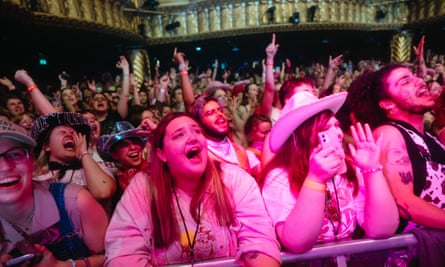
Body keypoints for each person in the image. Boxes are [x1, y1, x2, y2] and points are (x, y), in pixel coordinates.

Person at [104, 112, 281, 266]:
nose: (193, 137)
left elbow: (259, 240)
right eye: (179, 135)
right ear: (162, 153)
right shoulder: (143, 188)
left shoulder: (234, 180)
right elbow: (123, 256)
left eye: (197, 131)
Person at [259, 91, 399, 254]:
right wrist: (315, 179)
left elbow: (383, 229)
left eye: (337, 126)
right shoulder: (278, 176)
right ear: (302, 137)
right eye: (326, 128)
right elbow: (297, 242)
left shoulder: (348, 170)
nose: (338, 134)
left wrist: (372, 170)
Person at [346, 63, 445, 266]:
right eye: (405, 81)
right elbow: (404, 203)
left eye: (415, 77)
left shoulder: (431, 138)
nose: (419, 81)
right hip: (403, 258)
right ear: (387, 104)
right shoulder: (388, 134)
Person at [0, 119, 108, 267]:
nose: (4, 166)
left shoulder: (76, 201)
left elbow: (115, 258)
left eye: (15, 154)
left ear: (32, 160)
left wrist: (68, 265)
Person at [31, 112, 116, 201]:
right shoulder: (35, 176)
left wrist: (84, 153)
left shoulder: (96, 168)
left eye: (73, 133)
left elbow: (104, 192)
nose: (69, 135)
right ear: (46, 146)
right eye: (63, 132)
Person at [190, 95, 261, 177]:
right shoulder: (203, 158)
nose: (219, 114)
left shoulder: (240, 151)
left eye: (220, 110)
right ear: (199, 124)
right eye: (210, 113)